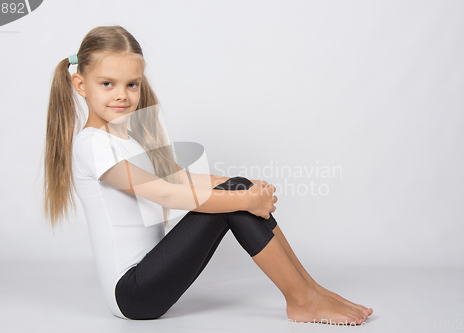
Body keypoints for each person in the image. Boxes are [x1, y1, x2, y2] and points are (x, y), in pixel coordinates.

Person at [43, 25, 373, 325]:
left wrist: (247, 188)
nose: (122, 95)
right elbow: (167, 195)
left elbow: (182, 179)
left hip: (154, 273)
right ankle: (302, 299)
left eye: (132, 85)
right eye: (107, 84)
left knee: (235, 189)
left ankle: (310, 289)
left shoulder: (130, 135)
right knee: (232, 201)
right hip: (133, 294)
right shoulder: (92, 145)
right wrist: (243, 198)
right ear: (80, 85)